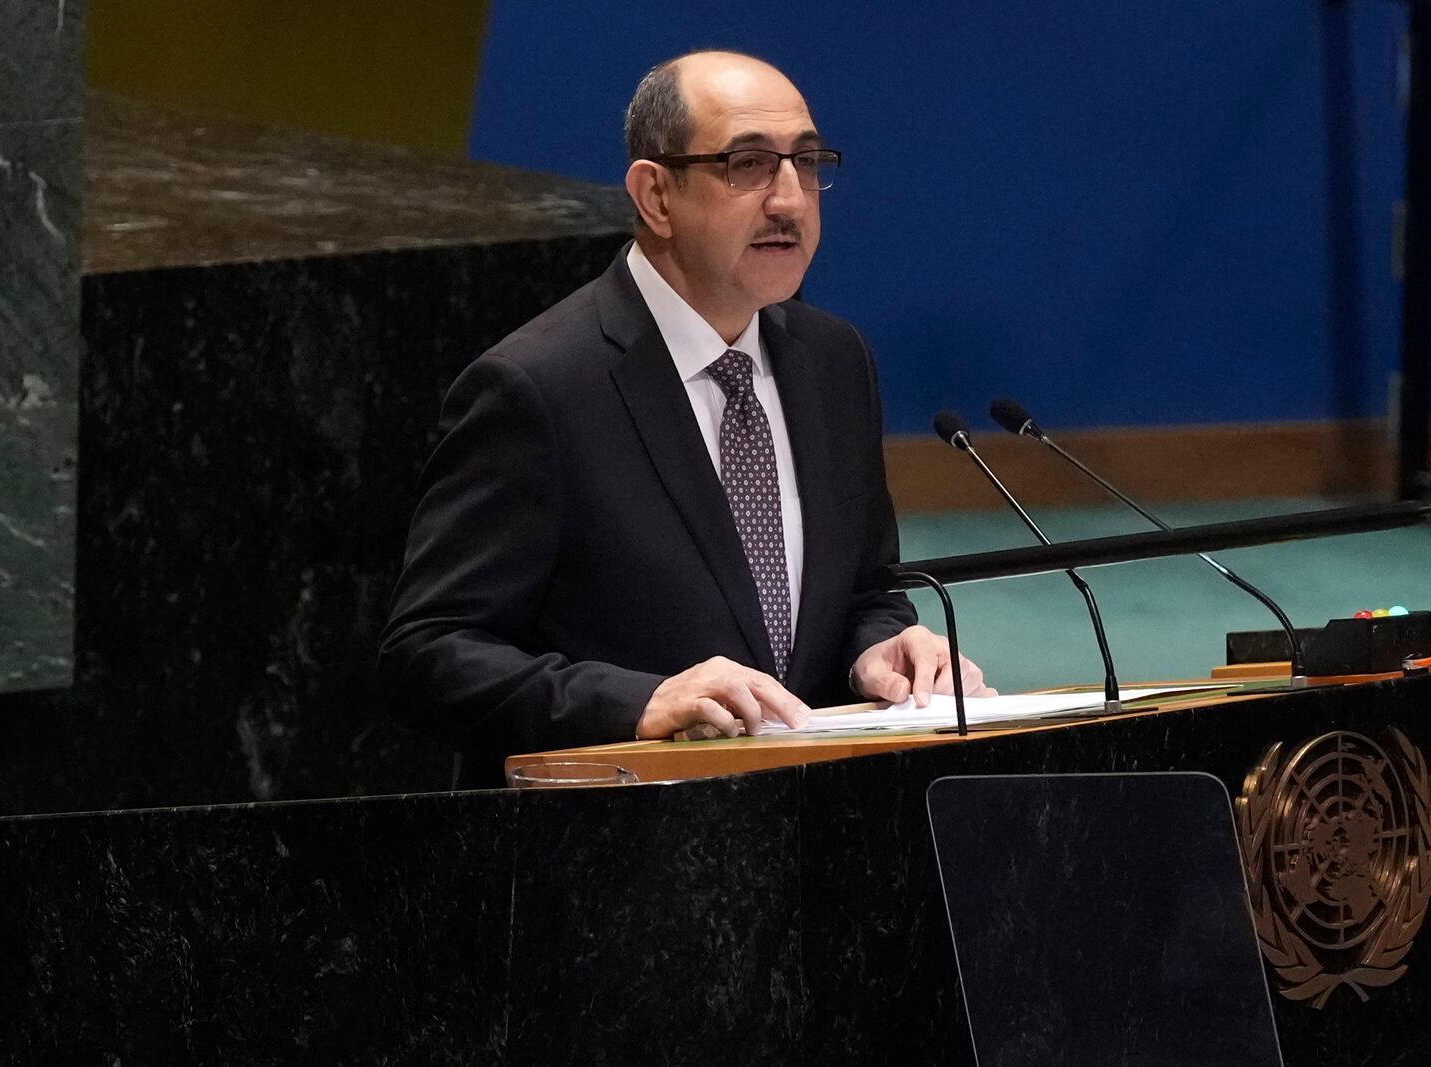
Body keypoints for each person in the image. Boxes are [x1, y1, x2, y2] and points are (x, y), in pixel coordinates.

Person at [380, 51, 989, 782]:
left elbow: (863, 587)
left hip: (813, 836)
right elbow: (429, 652)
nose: (791, 199)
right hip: (620, 850)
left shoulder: (834, 361)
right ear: (656, 196)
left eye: (805, 161)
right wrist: (639, 701)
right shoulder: (537, 387)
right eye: (750, 165)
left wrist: (880, 644)